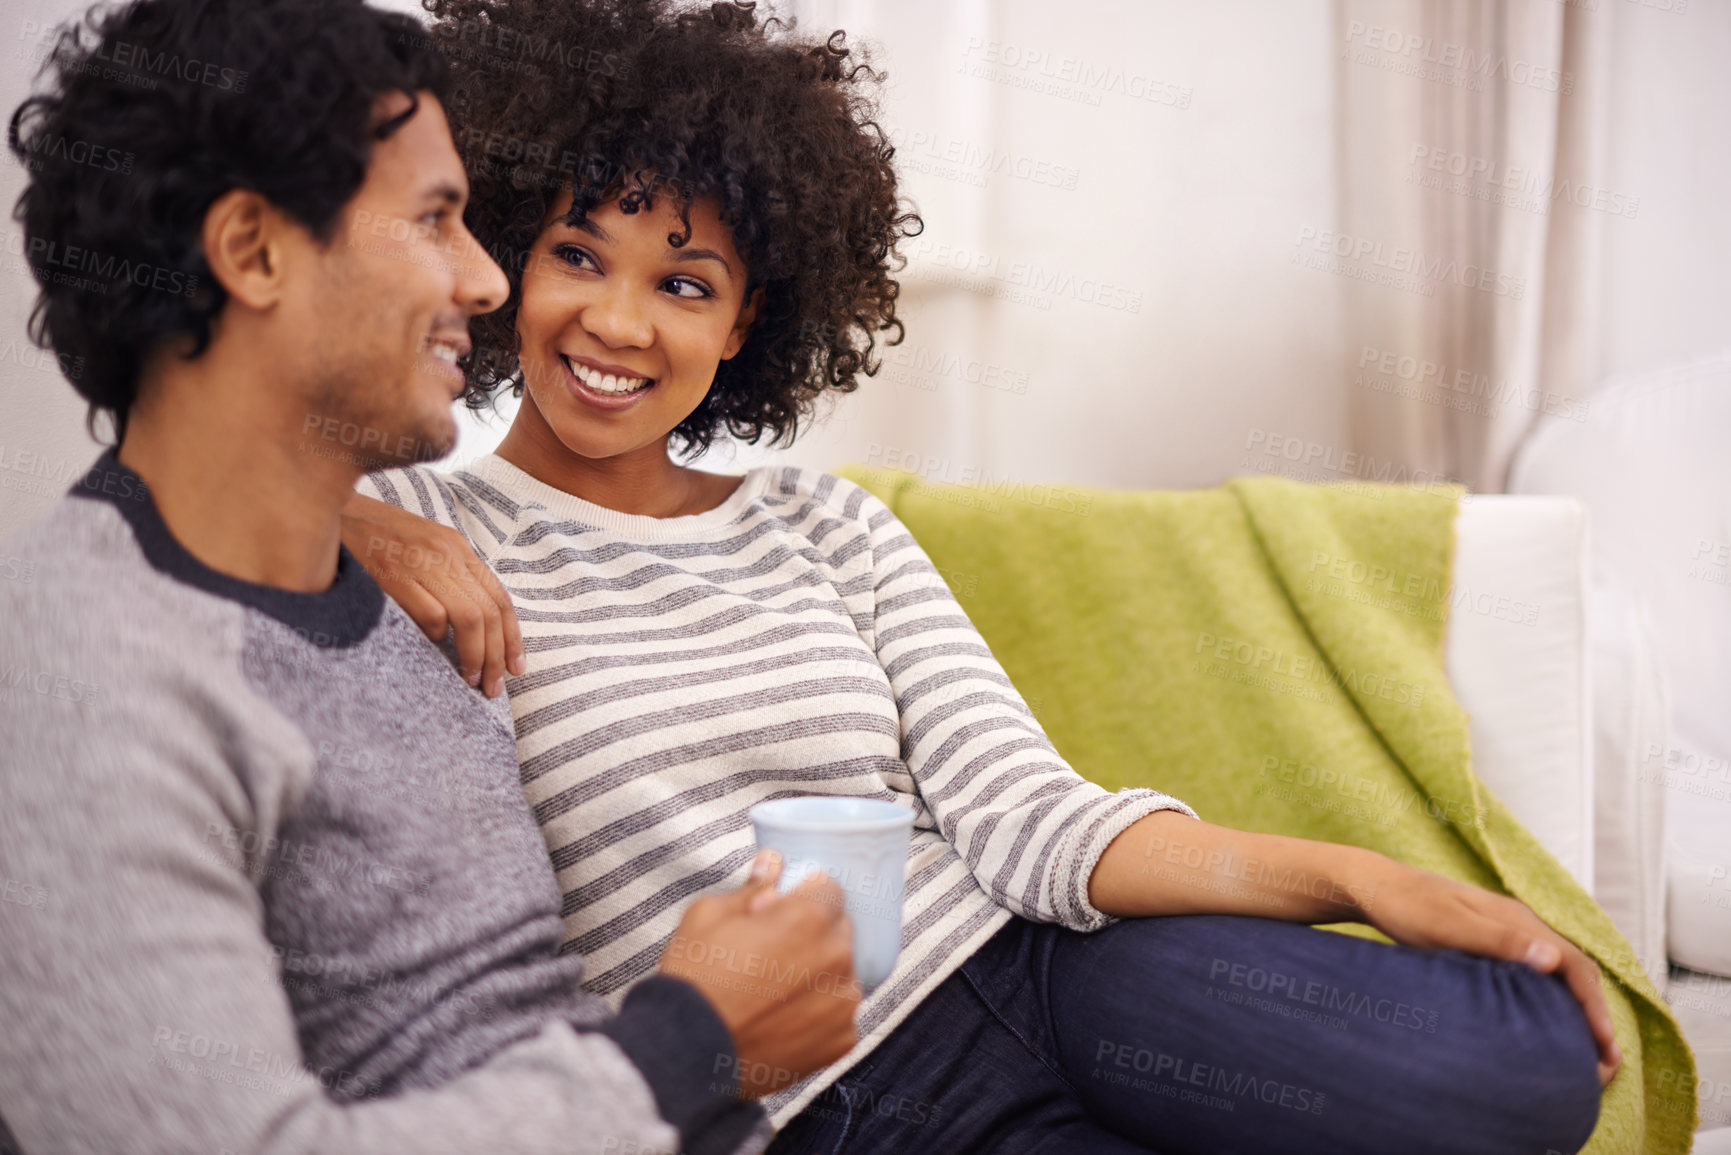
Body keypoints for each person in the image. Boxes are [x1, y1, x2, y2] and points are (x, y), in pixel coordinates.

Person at [0, 0, 864, 1151]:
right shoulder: (77, 673)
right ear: (253, 251)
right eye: (436, 220)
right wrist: (686, 1037)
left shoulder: (370, 586)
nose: (489, 282)